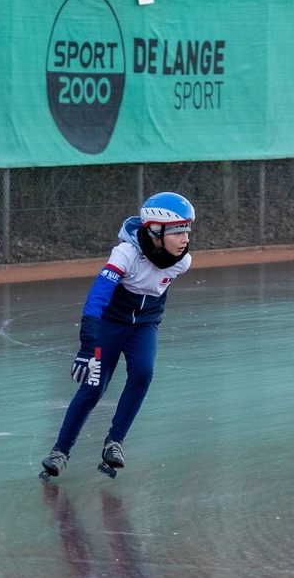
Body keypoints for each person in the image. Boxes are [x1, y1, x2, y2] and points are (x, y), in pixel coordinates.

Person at [39, 192, 195, 481]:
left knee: (143, 373)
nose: (185, 239)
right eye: (177, 232)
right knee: (93, 386)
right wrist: (88, 346)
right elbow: (96, 299)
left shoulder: (182, 262)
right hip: (110, 326)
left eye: (187, 230)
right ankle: (60, 450)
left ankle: (115, 442)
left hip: (143, 326)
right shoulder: (125, 254)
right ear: (155, 231)